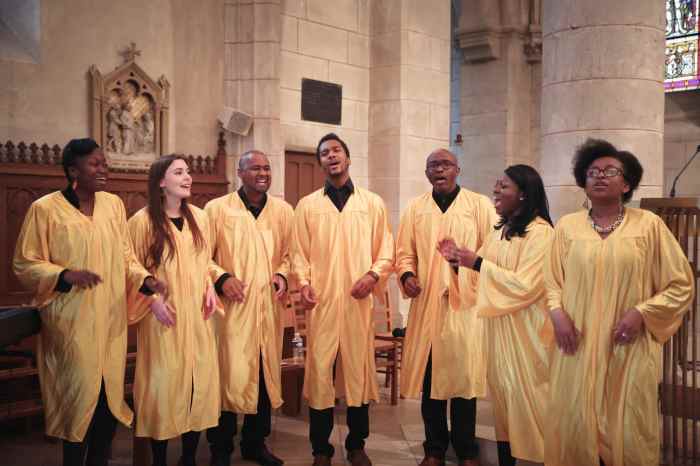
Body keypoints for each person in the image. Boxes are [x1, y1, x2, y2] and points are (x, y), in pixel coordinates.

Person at [12, 138, 165, 466]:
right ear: (72, 171)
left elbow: (125, 255)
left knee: (107, 404)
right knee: (77, 403)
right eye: (94, 164)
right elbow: (25, 262)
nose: (103, 169)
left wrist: (145, 279)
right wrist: (64, 274)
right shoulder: (45, 209)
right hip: (71, 323)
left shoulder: (113, 205)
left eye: (104, 163)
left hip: (110, 321)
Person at [544, 139, 695, 466]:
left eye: (609, 171)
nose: (599, 176)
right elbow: (551, 280)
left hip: (628, 346)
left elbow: (680, 283)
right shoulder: (567, 227)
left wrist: (643, 312)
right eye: (592, 172)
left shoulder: (648, 226)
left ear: (626, 183)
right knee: (575, 422)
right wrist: (556, 314)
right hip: (577, 345)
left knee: (628, 429)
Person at [438, 165, 553, 466]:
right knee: (504, 411)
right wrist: (457, 262)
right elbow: (479, 279)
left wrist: (476, 262)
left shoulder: (542, 234)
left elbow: (526, 285)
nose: (496, 191)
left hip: (527, 336)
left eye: (504, 186)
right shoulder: (499, 232)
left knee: (530, 407)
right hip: (498, 334)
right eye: (497, 185)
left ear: (524, 194)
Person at [291, 133, 395, 466]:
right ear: (320, 162)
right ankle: (321, 449)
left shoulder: (372, 203)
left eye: (336, 151)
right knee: (320, 373)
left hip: (357, 302)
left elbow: (386, 249)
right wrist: (304, 283)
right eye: (324, 153)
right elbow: (298, 252)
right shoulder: (308, 205)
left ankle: (355, 444)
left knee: (357, 373)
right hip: (321, 303)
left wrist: (373, 276)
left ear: (348, 159)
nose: (331, 156)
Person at [396, 148, 496, 466]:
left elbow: (492, 251)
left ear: (458, 169)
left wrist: (462, 270)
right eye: (433, 166)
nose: (439, 170)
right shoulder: (415, 209)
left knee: (463, 381)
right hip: (428, 306)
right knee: (431, 382)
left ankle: (467, 450)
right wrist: (407, 275)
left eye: (445, 165)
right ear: (426, 173)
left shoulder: (479, 205)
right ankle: (434, 448)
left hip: (464, 304)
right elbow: (404, 252)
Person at [127, 155, 221, 466]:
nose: (188, 177)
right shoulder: (141, 222)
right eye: (179, 172)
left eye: (188, 172)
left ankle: (189, 458)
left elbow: (204, 262)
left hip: (196, 318)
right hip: (163, 319)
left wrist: (209, 286)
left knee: (197, 385)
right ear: (161, 182)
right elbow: (129, 268)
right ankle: (159, 460)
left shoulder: (200, 217)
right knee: (163, 389)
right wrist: (152, 301)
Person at [205, 150, 294, 466]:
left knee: (264, 379)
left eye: (267, 168)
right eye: (255, 168)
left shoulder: (283, 211)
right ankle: (220, 449)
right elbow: (202, 256)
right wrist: (222, 277)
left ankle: (255, 444)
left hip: (266, 310)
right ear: (239, 172)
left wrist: (283, 274)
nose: (263, 173)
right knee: (227, 378)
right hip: (231, 312)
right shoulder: (216, 210)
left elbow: (288, 254)